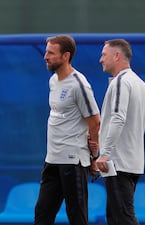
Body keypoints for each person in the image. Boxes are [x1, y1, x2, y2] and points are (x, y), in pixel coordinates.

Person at [34, 35, 101, 225]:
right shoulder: (53, 81)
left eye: (50, 53)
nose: (45, 56)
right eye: (46, 51)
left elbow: (95, 121)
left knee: (77, 215)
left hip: (73, 161)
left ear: (66, 56)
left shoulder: (79, 84)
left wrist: (94, 157)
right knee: (42, 213)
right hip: (52, 160)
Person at [96, 39, 145, 225]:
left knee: (123, 218)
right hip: (132, 161)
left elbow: (118, 117)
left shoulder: (121, 82)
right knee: (114, 217)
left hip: (118, 162)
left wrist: (105, 153)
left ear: (117, 56)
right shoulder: (140, 83)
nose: (101, 59)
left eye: (104, 55)